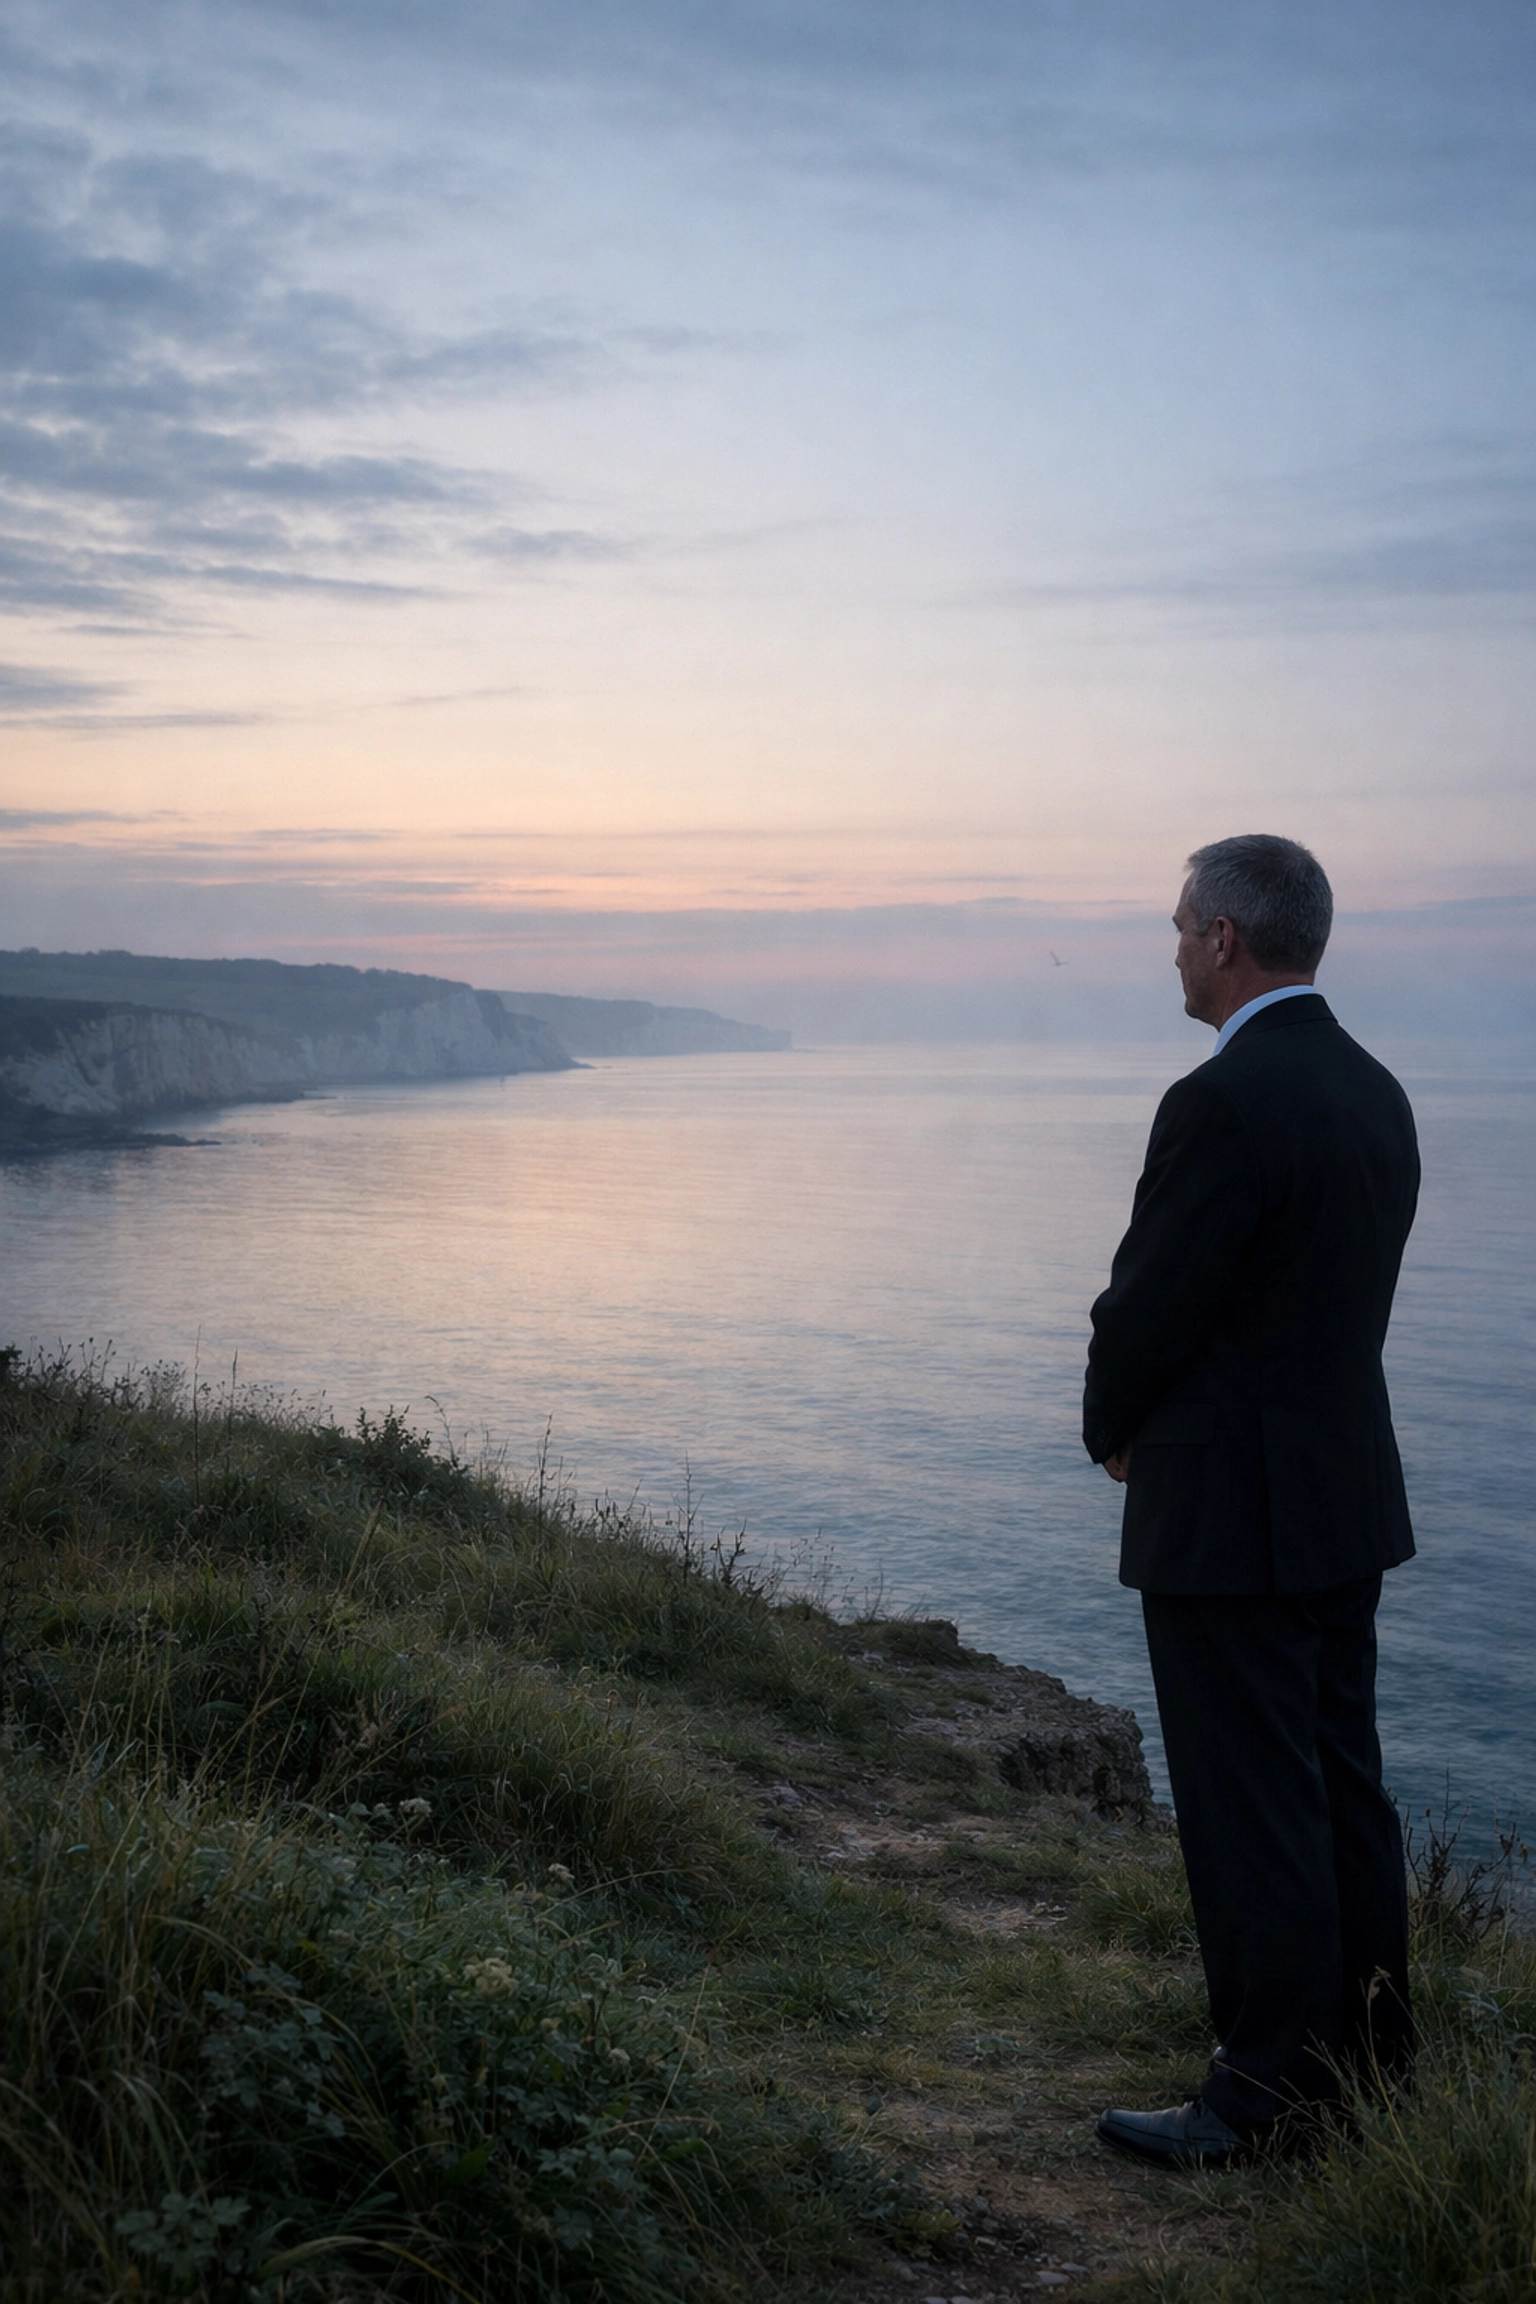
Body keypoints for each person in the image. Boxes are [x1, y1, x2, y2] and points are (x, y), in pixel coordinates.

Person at [1083, 833, 1419, 2169]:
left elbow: (1153, 1301)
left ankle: (1263, 2098)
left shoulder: (1219, 1101)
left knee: (1249, 1807)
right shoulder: (1373, 1089)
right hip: (1344, 1498)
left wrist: (1112, 1430)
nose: (1171, 947)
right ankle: (1374, 2063)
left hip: (1230, 1513)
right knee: (1343, 1793)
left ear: (1226, 938)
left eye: (1178, 927)